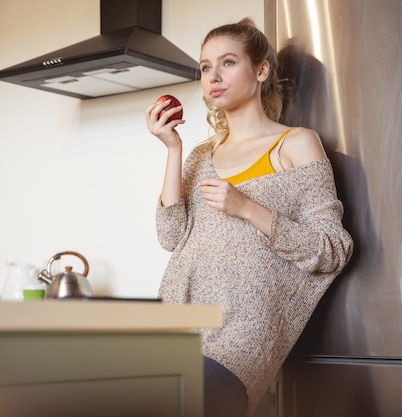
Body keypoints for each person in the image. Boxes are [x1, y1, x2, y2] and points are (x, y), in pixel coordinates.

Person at [144, 18, 353, 417]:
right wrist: (172, 150)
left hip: (242, 333)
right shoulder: (201, 156)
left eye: (227, 63)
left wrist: (247, 208)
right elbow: (171, 236)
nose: (213, 77)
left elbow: (332, 249)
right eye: (206, 68)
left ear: (261, 70)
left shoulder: (295, 143)